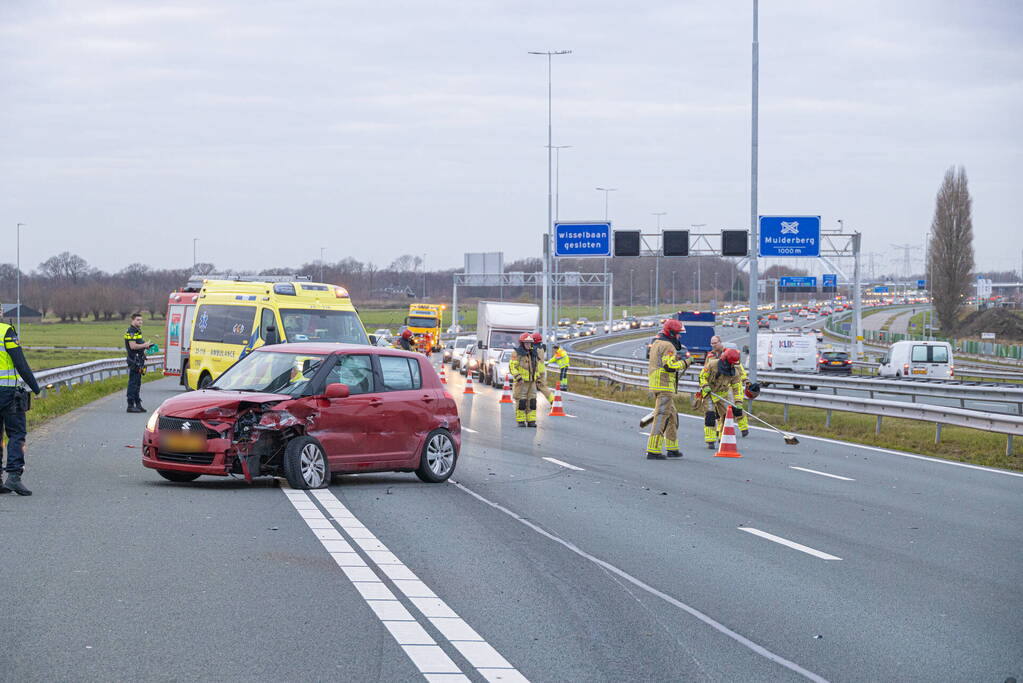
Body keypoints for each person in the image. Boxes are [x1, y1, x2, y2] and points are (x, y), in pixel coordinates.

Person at [0, 321, 41, 496]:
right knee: (16, 433)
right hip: (6, 393)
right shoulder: (5, 331)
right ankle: (14, 477)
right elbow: (20, 362)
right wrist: (35, 386)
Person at [645, 319, 692, 459]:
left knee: (672, 416)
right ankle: (653, 450)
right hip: (664, 385)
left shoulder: (657, 342)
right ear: (672, 333)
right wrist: (686, 362)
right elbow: (669, 366)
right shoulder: (668, 346)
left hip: (656, 384)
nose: (680, 337)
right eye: (678, 334)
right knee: (661, 417)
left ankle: (672, 448)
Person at [697, 348, 751, 449]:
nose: (732, 366)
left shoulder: (734, 372)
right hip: (709, 393)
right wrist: (705, 386)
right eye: (731, 363)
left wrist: (738, 402)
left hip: (723, 394)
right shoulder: (712, 364)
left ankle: (723, 438)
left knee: (727, 417)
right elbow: (702, 377)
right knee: (710, 416)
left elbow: (737, 387)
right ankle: (710, 440)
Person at [706, 335, 751, 436]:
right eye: (711, 343)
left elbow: (739, 369)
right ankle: (720, 429)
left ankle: (743, 427)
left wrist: (745, 380)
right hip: (715, 385)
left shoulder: (729, 353)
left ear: (720, 342)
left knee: (736, 406)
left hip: (729, 384)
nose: (713, 345)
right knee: (716, 411)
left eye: (715, 343)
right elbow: (706, 369)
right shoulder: (710, 356)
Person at [509, 332, 544, 427]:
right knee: (522, 401)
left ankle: (531, 421)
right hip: (521, 382)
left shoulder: (533, 353)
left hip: (532, 382)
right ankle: (521, 421)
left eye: (530, 343)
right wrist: (518, 377)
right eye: (526, 343)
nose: (528, 345)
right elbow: (512, 367)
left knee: (532, 401)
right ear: (522, 343)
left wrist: (538, 378)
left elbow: (536, 367)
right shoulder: (516, 353)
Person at [124, 313, 155, 413]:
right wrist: (144, 345)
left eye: (141, 320)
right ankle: (130, 405)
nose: (140, 322)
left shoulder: (137, 331)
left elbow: (139, 345)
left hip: (139, 360)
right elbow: (133, 346)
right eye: (138, 320)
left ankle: (138, 404)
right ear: (132, 320)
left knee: (137, 383)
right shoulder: (131, 331)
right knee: (133, 383)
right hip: (134, 361)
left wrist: (146, 348)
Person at [531, 332, 554, 403]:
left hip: (536, 370)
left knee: (530, 387)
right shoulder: (542, 348)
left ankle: (530, 402)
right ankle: (553, 400)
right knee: (544, 387)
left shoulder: (534, 349)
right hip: (542, 370)